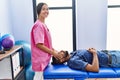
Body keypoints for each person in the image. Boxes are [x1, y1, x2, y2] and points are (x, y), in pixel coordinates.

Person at [31, 2, 62, 80]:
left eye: (47, 9)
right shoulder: (38, 25)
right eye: (43, 9)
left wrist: (54, 50)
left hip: (44, 59)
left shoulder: (43, 24)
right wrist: (53, 52)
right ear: (38, 11)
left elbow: (46, 43)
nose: (46, 11)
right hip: (40, 60)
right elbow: (39, 44)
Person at [52, 48, 120, 72]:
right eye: (58, 53)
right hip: (114, 59)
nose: (60, 51)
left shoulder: (72, 54)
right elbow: (95, 69)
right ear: (61, 60)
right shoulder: (73, 62)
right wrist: (94, 53)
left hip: (111, 53)